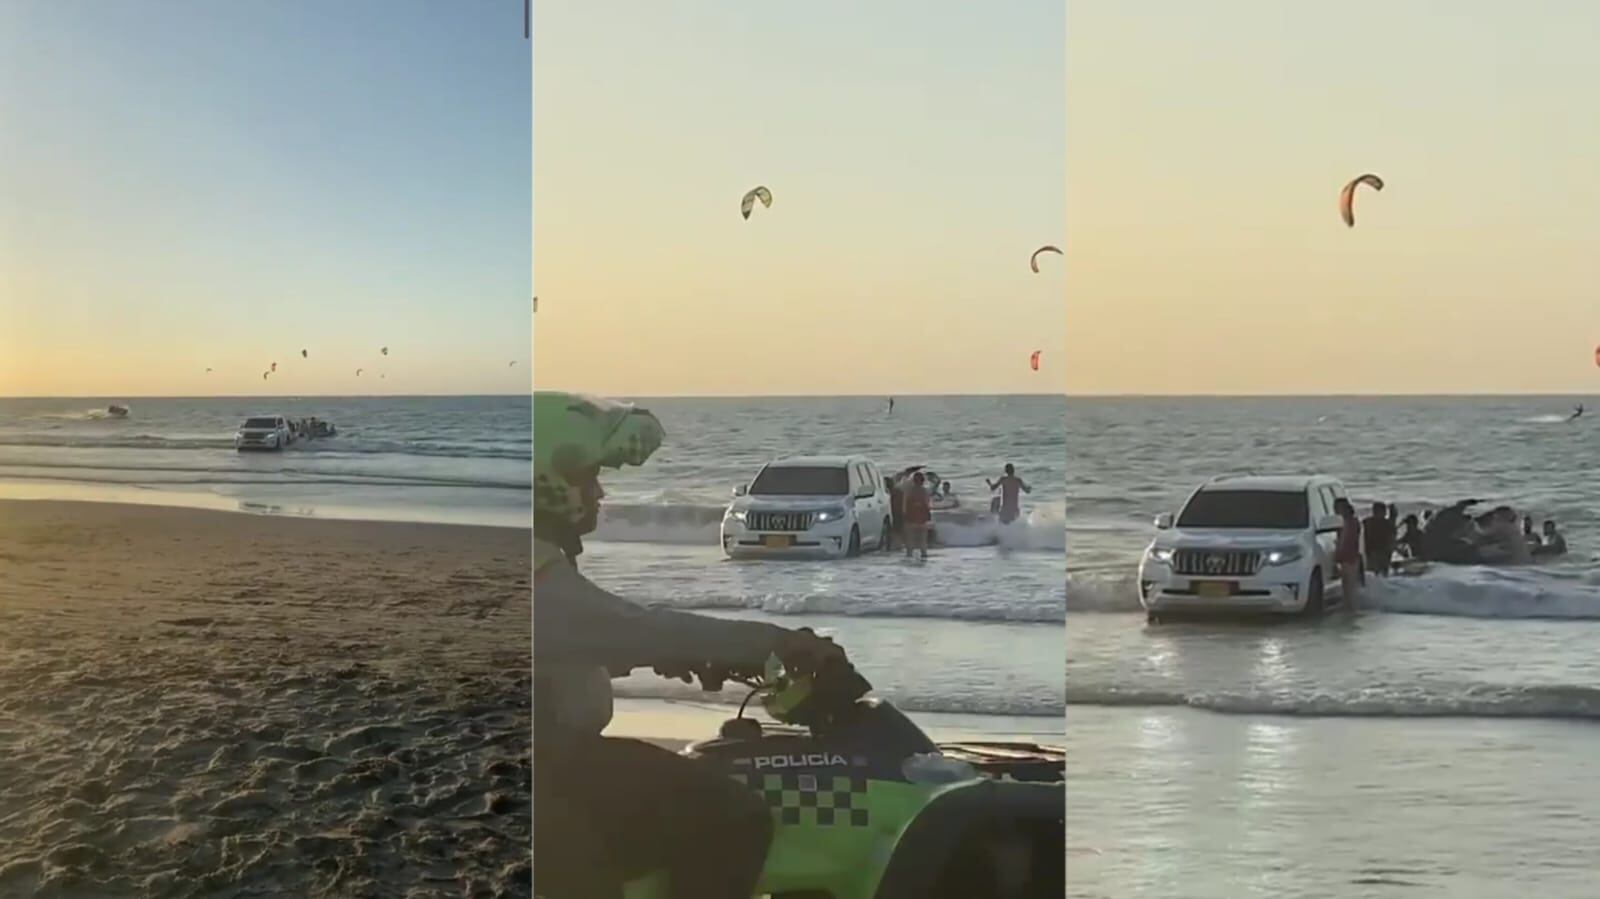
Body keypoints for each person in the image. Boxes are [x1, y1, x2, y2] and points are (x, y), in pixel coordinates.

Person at [532, 392, 847, 899]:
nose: (599, 491)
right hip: (544, 775)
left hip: (547, 762)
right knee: (733, 815)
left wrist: (670, 656)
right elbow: (634, 627)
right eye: (588, 477)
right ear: (549, 477)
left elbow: (575, 647)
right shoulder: (533, 574)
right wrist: (778, 642)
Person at [1334, 498, 1363, 610]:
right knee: (1347, 590)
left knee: (1350, 590)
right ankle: (1350, 613)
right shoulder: (1349, 522)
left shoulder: (1351, 523)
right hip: (1349, 559)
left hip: (1349, 559)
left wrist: (1338, 553)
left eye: (1338, 508)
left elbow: (1347, 541)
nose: (1336, 510)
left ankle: (1352, 612)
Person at [902, 471, 932, 560]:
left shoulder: (908, 491)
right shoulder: (925, 491)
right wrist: (928, 518)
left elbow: (904, 508)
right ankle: (924, 563)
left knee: (909, 547)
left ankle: (909, 565)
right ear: (922, 481)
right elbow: (927, 506)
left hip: (910, 521)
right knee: (923, 546)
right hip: (922, 522)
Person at [1363, 502, 1394, 577]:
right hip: (1374, 551)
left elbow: (1391, 538)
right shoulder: (1368, 522)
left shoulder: (1367, 522)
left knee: (1378, 573)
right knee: (1376, 573)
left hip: (1381, 552)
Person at [885, 476, 904, 551]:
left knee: (895, 533)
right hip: (897, 514)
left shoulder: (896, 493)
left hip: (896, 514)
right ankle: (896, 546)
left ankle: (895, 547)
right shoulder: (898, 492)